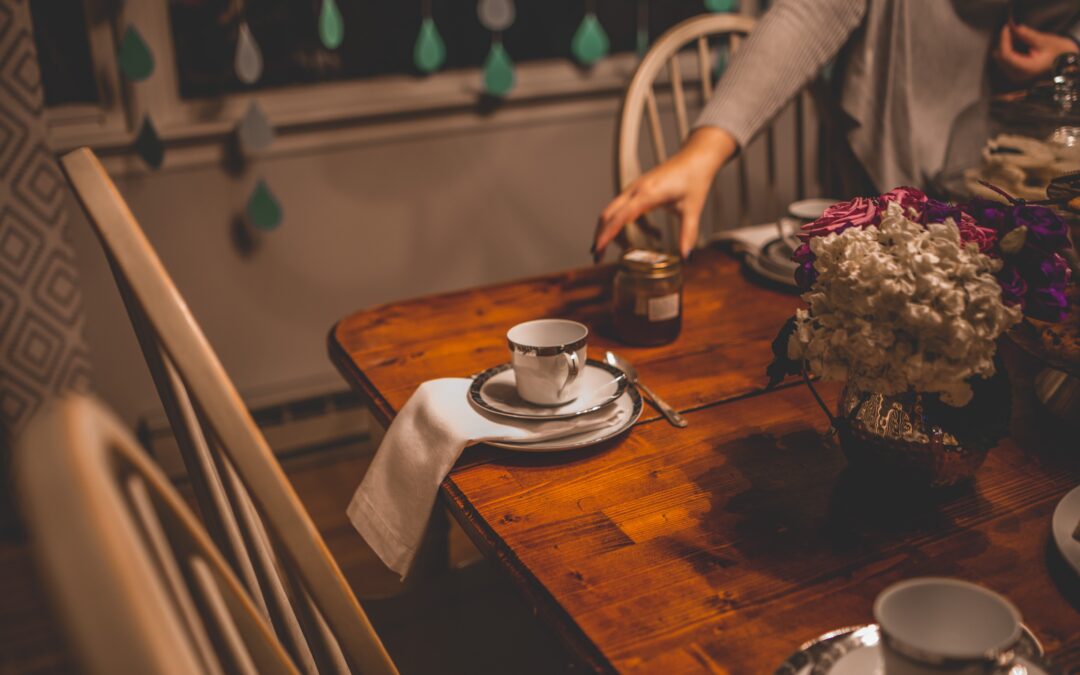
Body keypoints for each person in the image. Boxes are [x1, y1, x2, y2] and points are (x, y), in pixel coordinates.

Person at [593, 0, 1080, 260]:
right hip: (890, 183)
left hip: (1035, 187)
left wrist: (1068, 52)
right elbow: (808, 11)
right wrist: (703, 152)